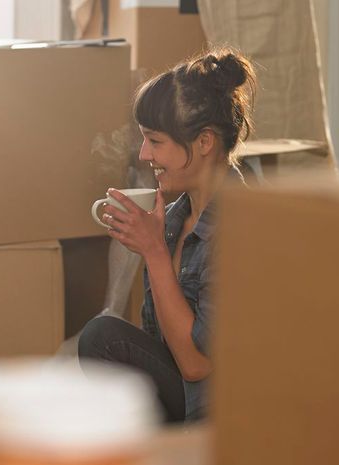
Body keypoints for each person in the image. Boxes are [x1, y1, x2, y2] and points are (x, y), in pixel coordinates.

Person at [78, 48, 257, 423]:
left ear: (205, 142)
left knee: (103, 338)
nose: (144, 154)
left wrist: (154, 250)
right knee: (100, 342)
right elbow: (161, 344)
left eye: (155, 141)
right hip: (183, 398)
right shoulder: (175, 218)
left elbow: (196, 365)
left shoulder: (244, 225)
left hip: (227, 408)